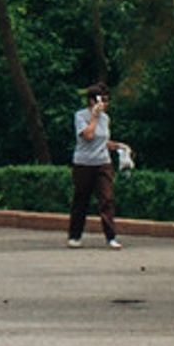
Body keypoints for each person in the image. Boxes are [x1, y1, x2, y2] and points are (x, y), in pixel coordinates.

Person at [68, 84, 124, 244]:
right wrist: (94, 116)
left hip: (102, 162)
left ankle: (111, 237)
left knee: (107, 199)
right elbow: (88, 135)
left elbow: (103, 141)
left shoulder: (106, 119)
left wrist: (119, 146)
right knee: (81, 200)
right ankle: (75, 235)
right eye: (103, 100)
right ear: (93, 101)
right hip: (84, 163)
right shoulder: (81, 116)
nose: (106, 104)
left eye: (107, 100)